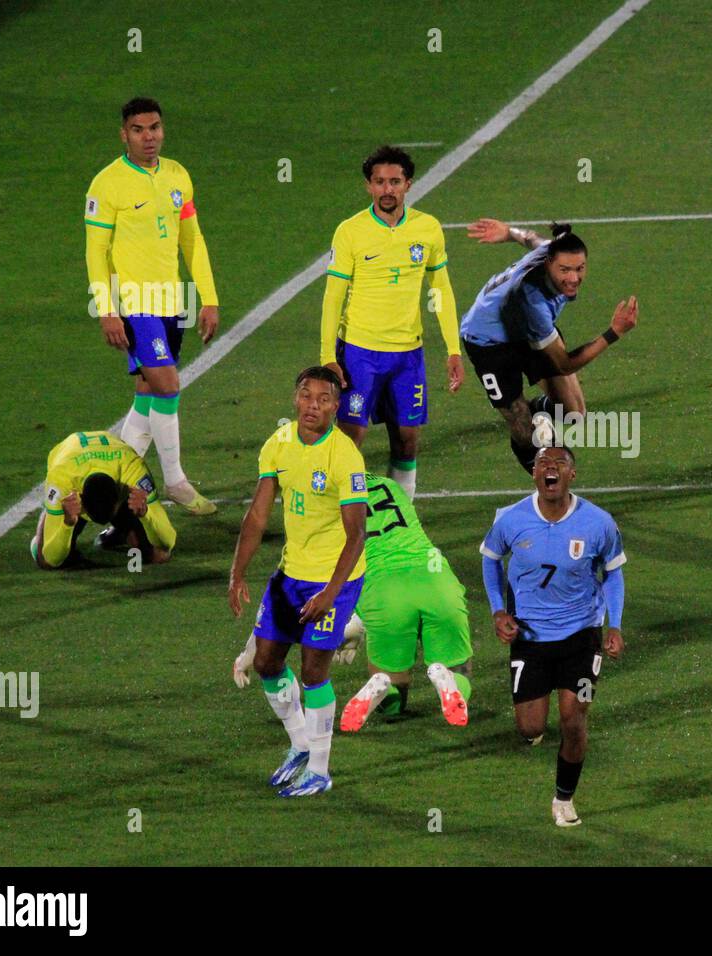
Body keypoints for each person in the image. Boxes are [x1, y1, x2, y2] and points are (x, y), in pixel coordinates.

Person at [227, 367, 368, 797]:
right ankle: (300, 745)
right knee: (268, 661)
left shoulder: (345, 456)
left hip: (335, 580)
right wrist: (237, 572)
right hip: (290, 575)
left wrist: (330, 593)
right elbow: (258, 515)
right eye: (306, 396)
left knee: (313, 671)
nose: (313, 405)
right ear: (295, 399)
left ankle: (321, 771)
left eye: (323, 399)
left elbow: (356, 534)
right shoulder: (279, 444)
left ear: (335, 406)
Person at [84, 97, 220, 515]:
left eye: (155, 128)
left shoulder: (178, 175)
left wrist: (208, 298)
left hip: (172, 299)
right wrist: (106, 309)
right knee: (167, 385)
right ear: (124, 134)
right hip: (133, 302)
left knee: (147, 393)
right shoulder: (106, 184)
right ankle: (175, 480)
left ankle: (117, 480)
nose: (149, 137)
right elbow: (95, 252)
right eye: (139, 130)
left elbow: (191, 241)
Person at [479, 447, 626, 826]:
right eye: (543, 464)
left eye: (559, 463)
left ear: (572, 475)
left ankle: (564, 799)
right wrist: (499, 610)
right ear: (533, 474)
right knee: (529, 728)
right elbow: (490, 558)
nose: (550, 469)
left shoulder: (598, 523)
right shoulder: (511, 519)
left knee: (574, 717)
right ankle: (537, 732)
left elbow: (613, 572)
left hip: (582, 635)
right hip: (529, 636)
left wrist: (615, 625)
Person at [320, 145, 463, 499]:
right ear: (369, 186)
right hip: (359, 353)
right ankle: (340, 520)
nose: (387, 190)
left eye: (394, 182)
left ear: (408, 184)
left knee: (407, 439)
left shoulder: (427, 228)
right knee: (351, 437)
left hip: (407, 355)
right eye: (379, 182)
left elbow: (440, 288)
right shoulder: (350, 231)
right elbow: (332, 298)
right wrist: (327, 355)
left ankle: (402, 522)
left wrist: (453, 349)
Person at [461, 220, 638, 473]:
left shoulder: (551, 252)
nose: (573, 278)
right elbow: (565, 364)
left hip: (526, 332)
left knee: (574, 414)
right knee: (525, 433)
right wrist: (614, 333)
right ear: (548, 265)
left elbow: (534, 240)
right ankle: (542, 479)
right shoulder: (532, 301)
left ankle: (534, 410)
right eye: (565, 270)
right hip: (488, 343)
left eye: (580, 268)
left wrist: (511, 232)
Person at [330, 473, 473, 731]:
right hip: (432, 572)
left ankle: (382, 687)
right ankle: (448, 679)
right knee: (460, 669)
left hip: (383, 587)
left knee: (394, 699)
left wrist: (351, 620)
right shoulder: (389, 485)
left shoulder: (325, 500)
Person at [31, 430, 176, 570]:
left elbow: (167, 543)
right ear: (81, 504)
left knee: (158, 554)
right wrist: (67, 523)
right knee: (46, 561)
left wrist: (146, 515)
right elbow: (52, 558)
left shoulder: (133, 471)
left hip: (115, 469)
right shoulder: (62, 480)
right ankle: (46, 518)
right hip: (70, 461)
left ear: (120, 499)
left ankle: (122, 531)